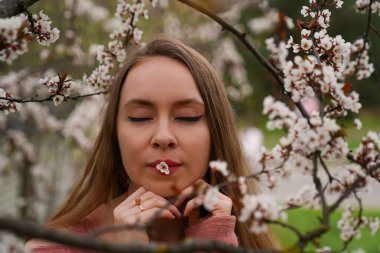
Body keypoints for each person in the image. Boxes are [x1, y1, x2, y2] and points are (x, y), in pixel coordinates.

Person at [26, 36, 279, 251]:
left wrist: (214, 240)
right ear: (116, 133)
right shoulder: (55, 246)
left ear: (216, 132)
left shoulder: (245, 238)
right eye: (140, 118)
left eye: (186, 117)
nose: (163, 137)